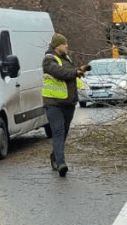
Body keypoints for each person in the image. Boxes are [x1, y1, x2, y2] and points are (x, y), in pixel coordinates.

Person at [42, 33, 90, 177]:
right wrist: (75, 71)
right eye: (64, 44)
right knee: (58, 131)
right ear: (57, 46)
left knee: (64, 133)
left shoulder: (66, 58)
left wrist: (80, 72)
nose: (67, 46)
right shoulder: (49, 60)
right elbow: (60, 72)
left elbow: (70, 75)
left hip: (68, 103)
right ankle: (61, 163)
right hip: (53, 103)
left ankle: (55, 156)